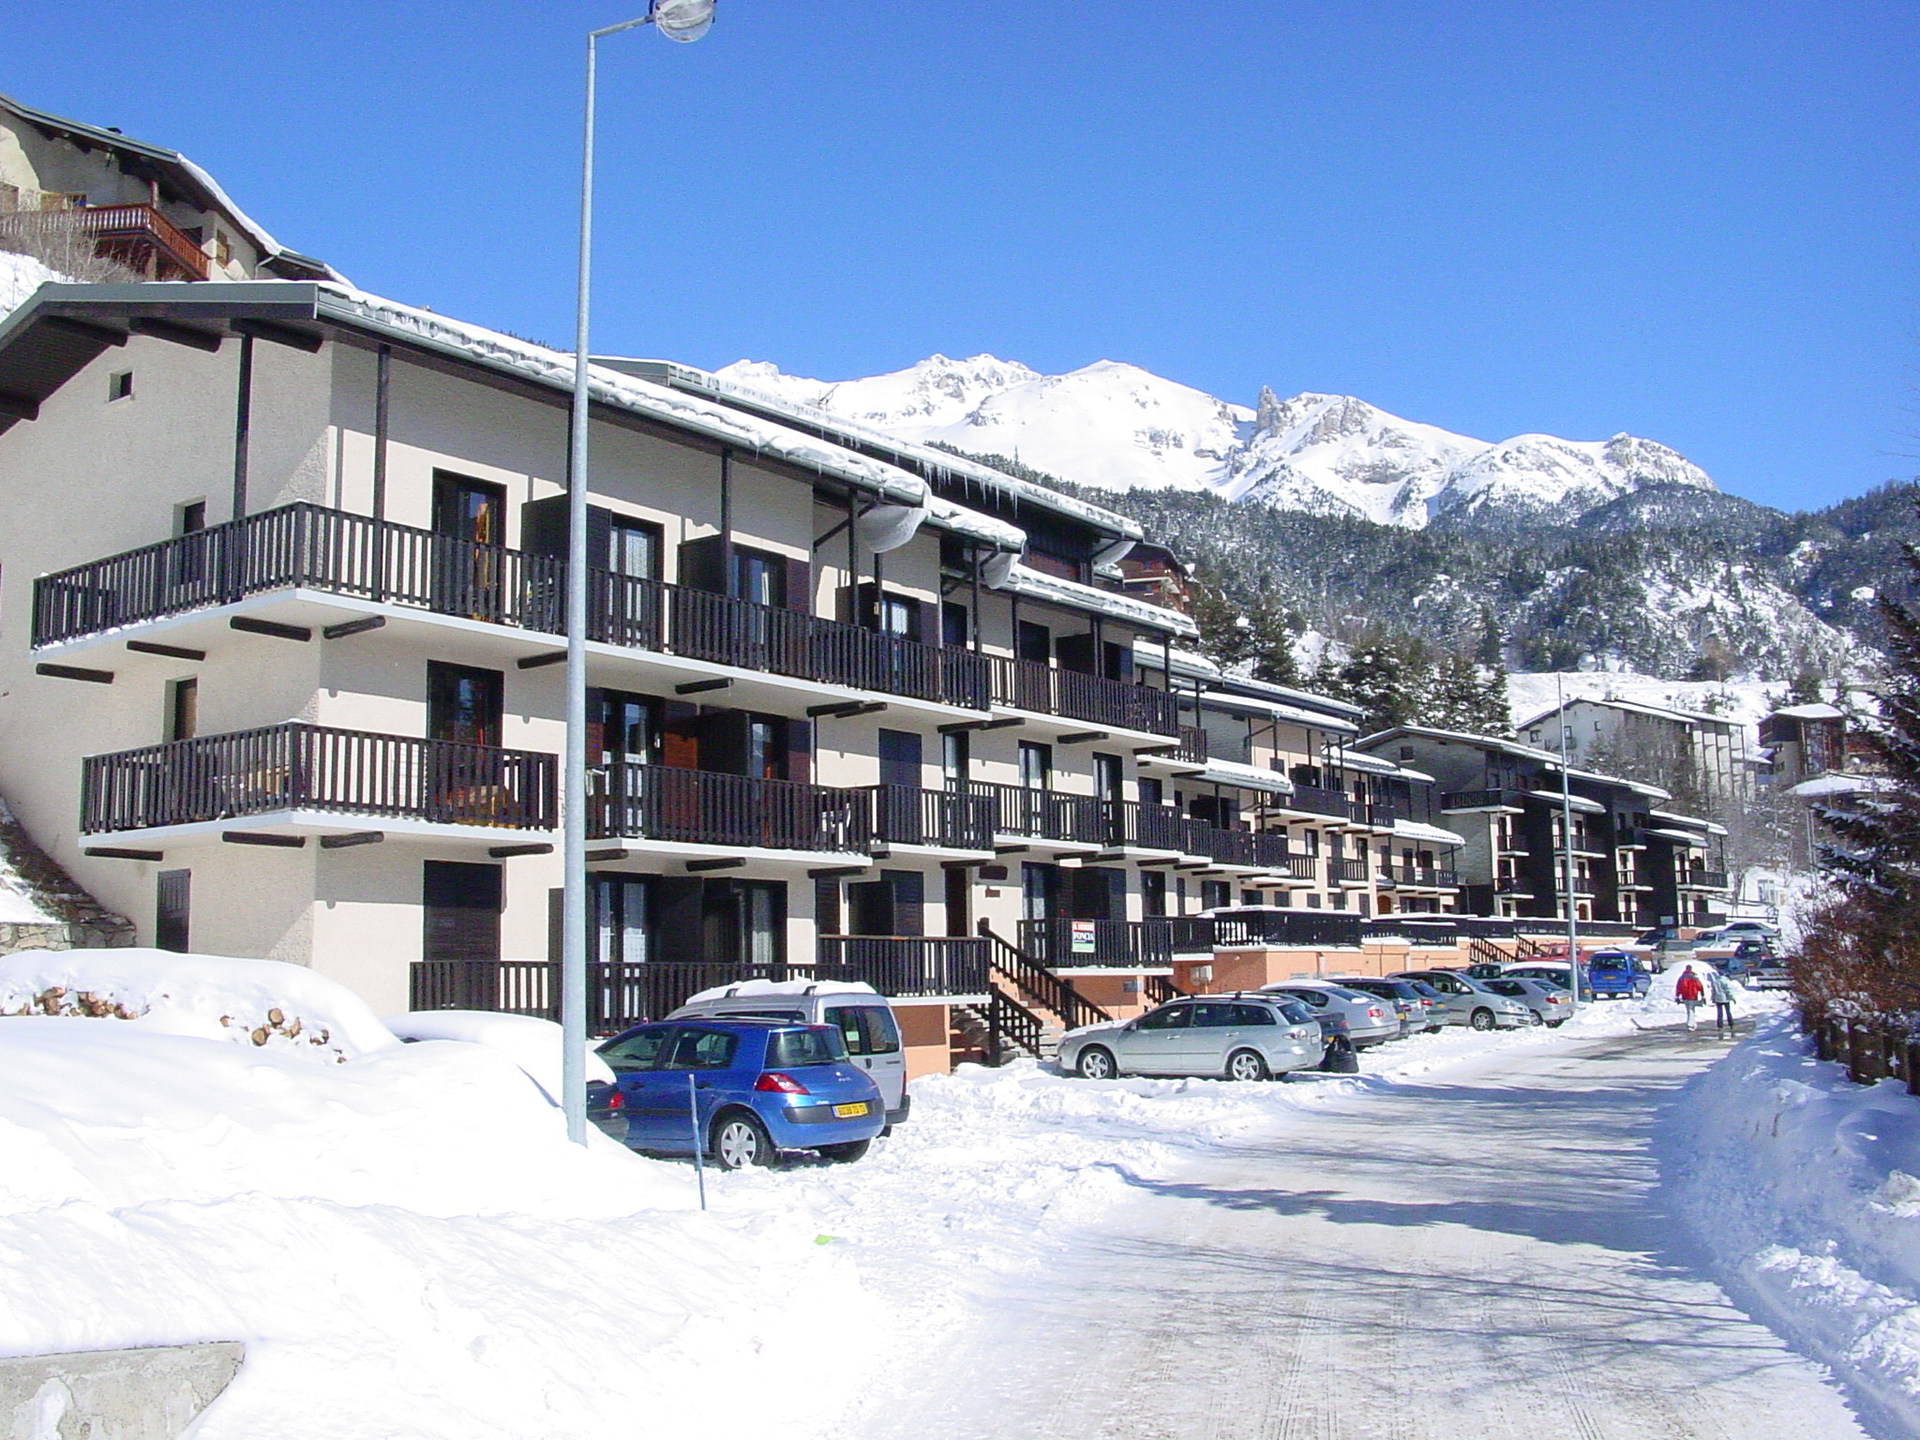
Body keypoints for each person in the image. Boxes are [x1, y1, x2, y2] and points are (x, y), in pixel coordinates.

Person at [1707, 966, 1737, 1037]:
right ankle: (1731, 1024)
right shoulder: (1725, 981)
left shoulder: (1715, 981)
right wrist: (1732, 998)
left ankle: (1720, 1026)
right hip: (1725, 999)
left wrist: (1713, 998)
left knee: (1719, 1013)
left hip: (1718, 999)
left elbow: (1713, 991)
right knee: (1728, 1012)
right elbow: (1728, 990)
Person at [1675, 965, 1706, 1032]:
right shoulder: (1694, 977)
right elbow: (1700, 986)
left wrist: (1677, 996)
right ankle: (1691, 1025)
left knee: (1689, 1010)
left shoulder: (1681, 978)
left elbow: (1678, 988)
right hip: (1693, 996)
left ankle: (1692, 1024)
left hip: (1685, 996)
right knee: (1691, 1010)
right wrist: (1703, 995)